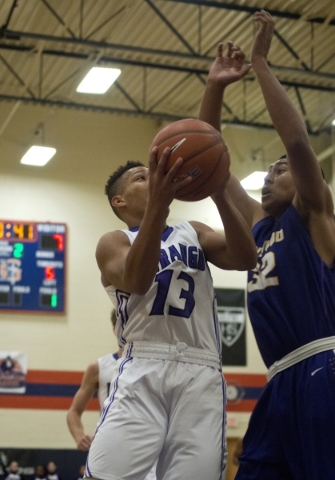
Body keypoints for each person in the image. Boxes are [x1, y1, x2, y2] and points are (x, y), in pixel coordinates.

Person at [199, 10, 335, 480]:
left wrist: (260, 63)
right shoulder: (258, 225)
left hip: (323, 365)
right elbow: (210, 168)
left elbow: (297, 142)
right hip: (278, 378)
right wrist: (215, 86)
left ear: (302, 181)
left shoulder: (314, 215)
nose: (268, 178)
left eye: (279, 171)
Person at [84, 140, 257, 480]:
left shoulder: (192, 231)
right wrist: (158, 208)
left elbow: (245, 257)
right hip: (143, 366)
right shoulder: (114, 240)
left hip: (201, 369)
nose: (153, 177)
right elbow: (136, 279)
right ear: (119, 201)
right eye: (140, 177)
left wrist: (218, 190)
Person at [66, 310, 123, 451]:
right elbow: (73, 412)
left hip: (142, 443)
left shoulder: (151, 366)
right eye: (123, 325)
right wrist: (79, 437)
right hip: (107, 442)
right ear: (115, 330)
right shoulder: (99, 366)